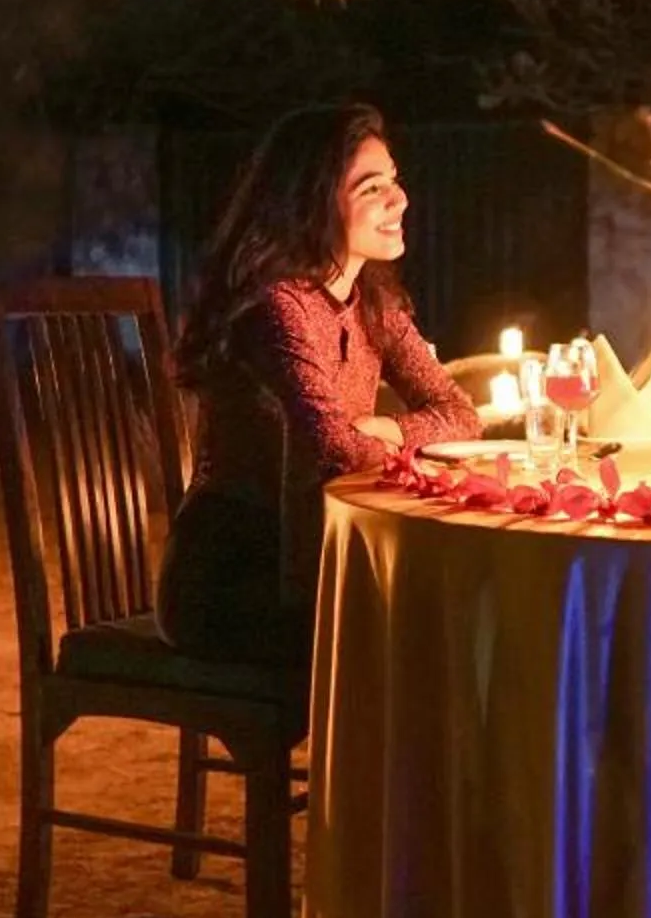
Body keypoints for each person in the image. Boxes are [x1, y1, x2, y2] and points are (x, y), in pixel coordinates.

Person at [159, 103, 478, 665]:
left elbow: (460, 413)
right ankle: (378, 756)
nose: (398, 199)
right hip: (234, 577)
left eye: (394, 182)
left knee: (449, 619)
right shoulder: (278, 305)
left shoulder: (373, 302)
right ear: (313, 201)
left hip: (316, 560)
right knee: (420, 636)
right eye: (371, 187)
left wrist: (384, 426)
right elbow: (335, 447)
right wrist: (383, 438)